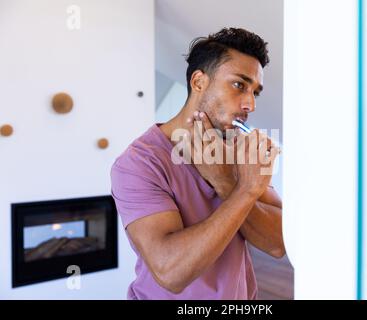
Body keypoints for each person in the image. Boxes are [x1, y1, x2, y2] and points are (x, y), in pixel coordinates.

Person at [111, 27, 284, 300]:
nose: (250, 104)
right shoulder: (139, 162)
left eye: (255, 92)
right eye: (239, 85)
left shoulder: (239, 149)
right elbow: (171, 272)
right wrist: (245, 191)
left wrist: (226, 182)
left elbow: (279, 243)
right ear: (199, 81)